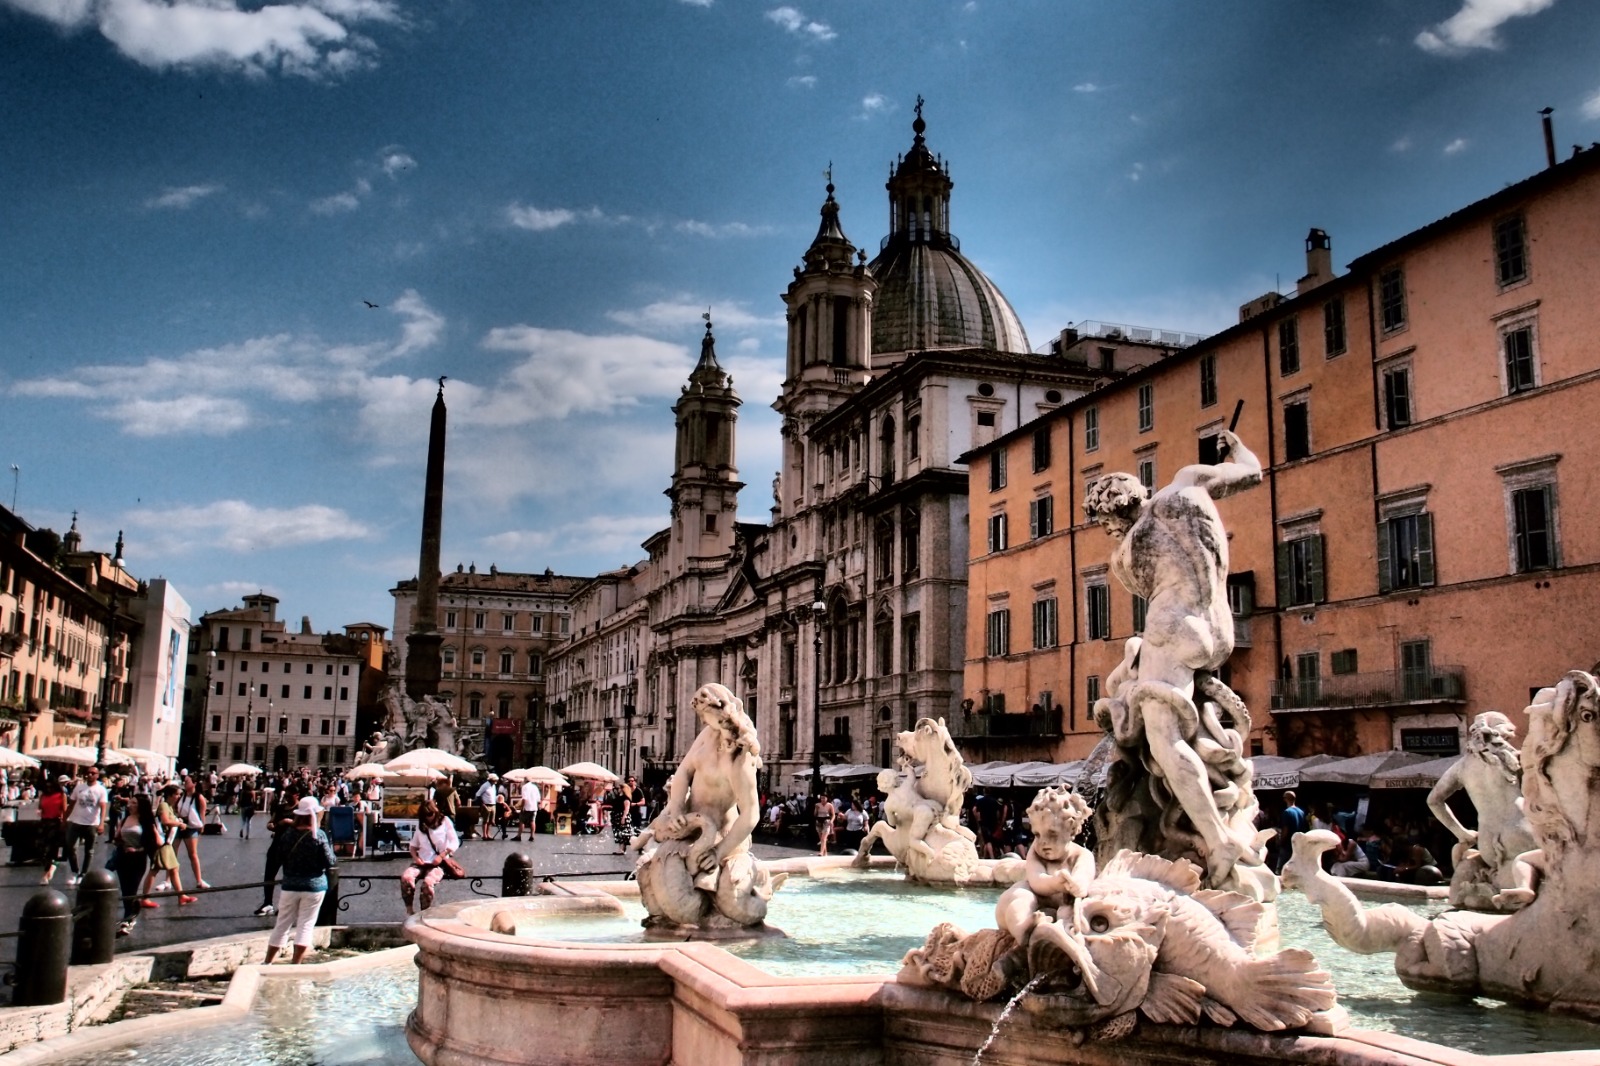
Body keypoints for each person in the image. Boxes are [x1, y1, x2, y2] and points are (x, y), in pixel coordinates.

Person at [1085, 429, 1267, 893]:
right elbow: (1252, 471)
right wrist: (1234, 444)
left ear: (1113, 511)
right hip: (1218, 627)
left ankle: (1216, 838)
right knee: (1172, 709)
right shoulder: (1187, 483)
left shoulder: (1126, 549)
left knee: (1165, 739)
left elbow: (1142, 582)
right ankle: (1213, 809)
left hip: (1171, 625)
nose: (1106, 531)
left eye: (1104, 522)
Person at [263, 797, 337, 964]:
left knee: (282, 924)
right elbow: (330, 861)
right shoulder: (318, 835)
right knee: (306, 925)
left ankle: (268, 961)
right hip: (314, 885)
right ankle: (295, 963)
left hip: (290, 884)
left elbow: (279, 856)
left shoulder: (288, 834)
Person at [402, 799, 461, 915]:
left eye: (430, 814)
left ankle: (424, 913)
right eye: (424, 815)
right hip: (422, 862)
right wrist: (416, 858)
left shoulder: (444, 821)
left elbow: (455, 841)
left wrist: (441, 855)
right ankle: (409, 910)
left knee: (428, 883)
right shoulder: (421, 825)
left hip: (439, 863)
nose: (428, 818)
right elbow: (413, 846)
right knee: (406, 877)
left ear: (435, 812)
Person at [113, 794, 158, 937]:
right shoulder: (125, 818)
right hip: (123, 857)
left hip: (138, 858)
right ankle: (130, 914)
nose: (129, 805)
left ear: (140, 806)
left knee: (132, 889)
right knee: (125, 890)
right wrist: (119, 840)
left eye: (133, 803)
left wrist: (138, 849)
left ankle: (128, 919)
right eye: (130, 802)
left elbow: (154, 842)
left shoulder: (146, 821)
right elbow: (117, 836)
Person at [146, 783, 197, 905]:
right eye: (177, 794)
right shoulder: (164, 805)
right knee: (156, 869)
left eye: (180, 794)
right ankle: (145, 898)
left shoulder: (169, 806)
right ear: (169, 795)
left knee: (171, 869)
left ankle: (181, 896)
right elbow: (165, 821)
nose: (179, 797)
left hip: (167, 842)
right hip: (162, 842)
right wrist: (179, 824)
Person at [63, 766, 109, 886]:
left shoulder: (101, 790)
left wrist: (101, 823)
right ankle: (75, 871)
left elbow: (103, 807)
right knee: (71, 847)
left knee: (89, 851)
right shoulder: (79, 787)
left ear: (97, 775)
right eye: (87, 773)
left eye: (93, 773)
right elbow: (71, 804)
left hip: (91, 823)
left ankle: (83, 873)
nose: (89, 775)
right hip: (75, 821)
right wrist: (64, 819)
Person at [173, 776, 210, 890]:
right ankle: (169, 880)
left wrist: (202, 827)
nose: (184, 783)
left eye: (187, 782)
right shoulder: (181, 796)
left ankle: (199, 880)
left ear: (194, 783)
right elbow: (175, 808)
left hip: (192, 827)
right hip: (179, 825)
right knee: (172, 853)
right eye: (184, 781)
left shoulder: (199, 798)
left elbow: (202, 813)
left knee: (193, 854)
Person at [36, 776, 68, 885]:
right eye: (46, 786)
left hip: (55, 822)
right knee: (41, 848)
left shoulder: (61, 795)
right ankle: (51, 865)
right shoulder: (43, 796)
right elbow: (40, 808)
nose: (48, 788)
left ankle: (46, 873)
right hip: (44, 822)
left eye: (50, 786)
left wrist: (64, 824)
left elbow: (64, 811)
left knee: (50, 850)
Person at [1277, 791, 1308, 873]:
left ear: (1285, 799)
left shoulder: (1287, 812)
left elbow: (1285, 830)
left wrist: (1281, 841)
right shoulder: (1301, 812)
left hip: (1287, 845)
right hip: (1298, 845)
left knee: (1282, 869)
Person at [473, 774, 499, 839]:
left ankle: (488, 834)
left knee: (490, 821)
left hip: (493, 804)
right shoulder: (485, 786)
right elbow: (478, 794)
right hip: (486, 804)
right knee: (485, 820)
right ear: (491, 780)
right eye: (495, 780)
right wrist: (482, 803)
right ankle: (484, 835)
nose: (496, 781)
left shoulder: (494, 786)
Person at [516, 778, 541, 842]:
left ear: (525, 780)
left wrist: (522, 807)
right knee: (532, 821)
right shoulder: (535, 787)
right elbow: (538, 799)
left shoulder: (524, 787)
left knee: (522, 821)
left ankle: (519, 836)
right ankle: (532, 836)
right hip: (534, 807)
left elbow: (524, 798)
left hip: (527, 807)